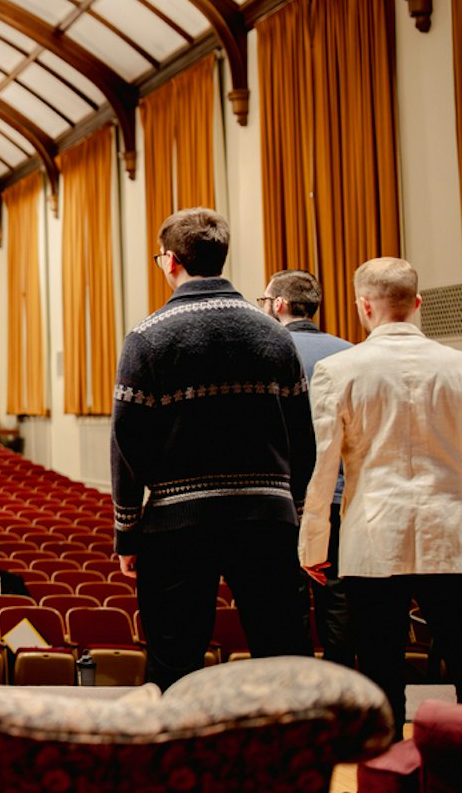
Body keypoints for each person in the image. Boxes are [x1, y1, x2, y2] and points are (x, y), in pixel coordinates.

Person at [110, 208, 314, 690]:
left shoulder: (147, 337)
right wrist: (296, 512)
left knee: (175, 657)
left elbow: (127, 441)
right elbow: (302, 436)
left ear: (172, 261)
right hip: (266, 518)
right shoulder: (274, 335)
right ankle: (287, 758)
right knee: (282, 651)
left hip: (178, 525)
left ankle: (180, 759)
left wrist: (127, 529)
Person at [300, 258, 462, 721]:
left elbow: (324, 465)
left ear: (362, 306)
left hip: (372, 536)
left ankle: (385, 769)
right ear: (416, 303)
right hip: (451, 532)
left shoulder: (339, 370)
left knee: (379, 665)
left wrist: (314, 543)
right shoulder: (458, 367)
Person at [260, 268, 353, 667]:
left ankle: (297, 692)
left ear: (278, 305)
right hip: (340, 496)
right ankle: (340, 685)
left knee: (284, 598)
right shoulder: (351, 352)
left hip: (282, 498)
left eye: (264, 301)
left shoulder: (263, 352)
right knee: (338, 596)